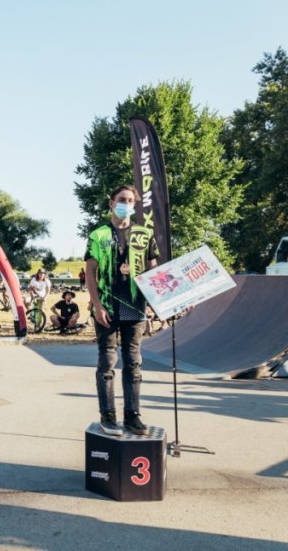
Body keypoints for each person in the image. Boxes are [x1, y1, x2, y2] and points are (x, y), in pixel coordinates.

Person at [85, 184, 159, 437]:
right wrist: (97, 306)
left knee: (133, 363)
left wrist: (161, 301)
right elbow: (90, 273)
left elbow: (154, 271)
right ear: (111, 202)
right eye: (121, 199)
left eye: (130, 201)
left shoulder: (144, 234)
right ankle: (108, 415)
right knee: (107, 361)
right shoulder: (99, 235)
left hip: (134, 306)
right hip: (107, 307)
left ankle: (132, 415)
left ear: (134, 205)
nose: (125, 204)